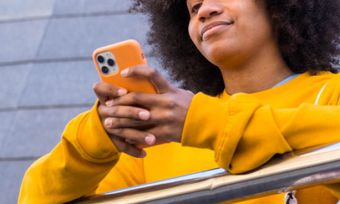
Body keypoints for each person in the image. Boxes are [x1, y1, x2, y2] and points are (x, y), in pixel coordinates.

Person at [19, 0, 340, 203]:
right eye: (193, 8)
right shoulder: (158, 137)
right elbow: (35, 198)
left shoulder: (330, 94)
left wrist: (203, 123)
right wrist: (99, 136)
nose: (206, 10)